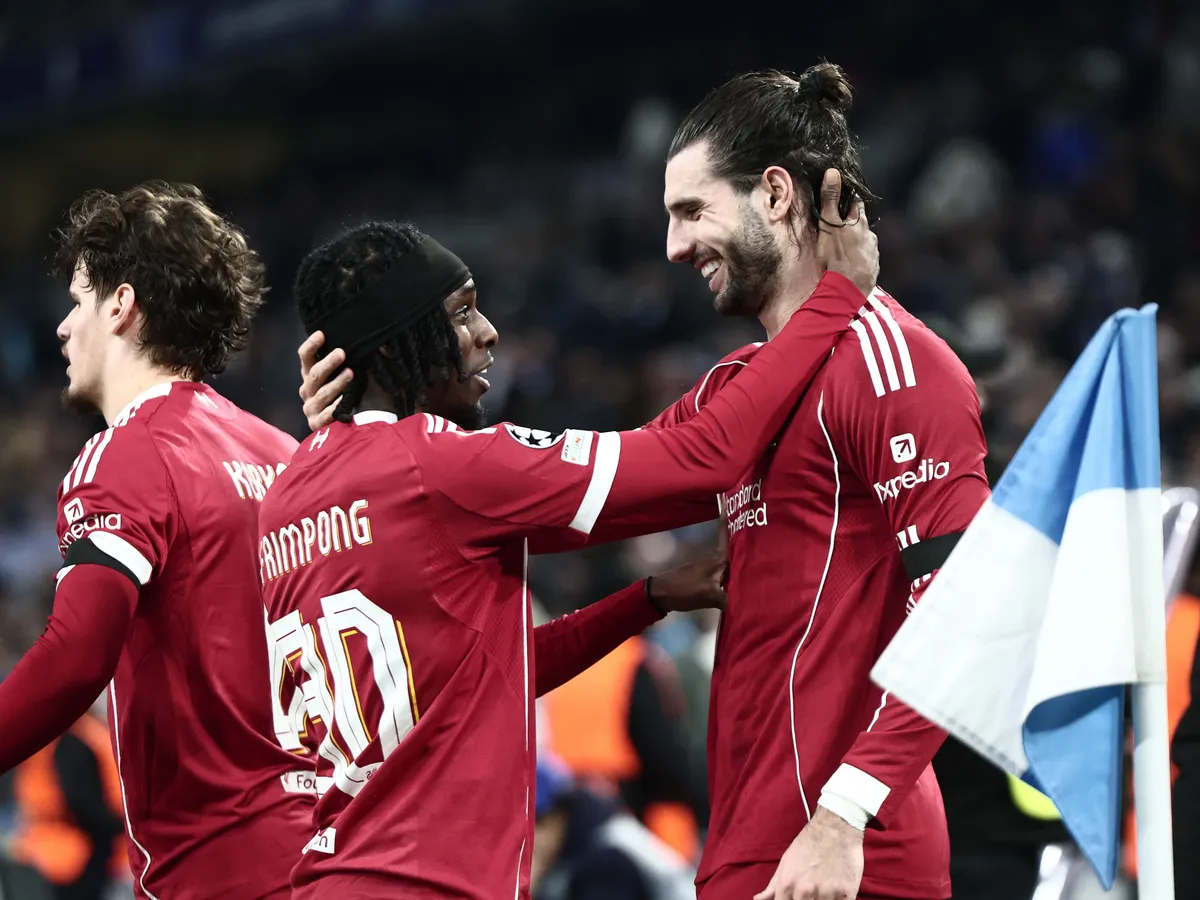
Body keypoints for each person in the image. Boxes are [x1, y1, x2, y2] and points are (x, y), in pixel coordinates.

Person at [262, 176, 876, 900]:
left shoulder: (287, 494)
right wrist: (839, 293)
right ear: (402, 343)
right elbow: (703, 460)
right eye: (460, 313)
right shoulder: (440, 466)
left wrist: (647, 599)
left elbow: (484, 679)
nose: (487, 332)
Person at [647, 64, 990, 900]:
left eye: (692, 212)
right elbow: (580, 493)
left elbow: (970, 596)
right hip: (746, 849)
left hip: (846, 859)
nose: (675, 246)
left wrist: (845, 815)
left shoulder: (892, 360)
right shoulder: (739, 389)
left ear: (775, 195)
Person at [0, 182, 314, 899]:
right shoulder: (284, 453)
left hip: (217, 868)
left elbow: (77, 658)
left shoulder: (124, 456)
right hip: (325, 851)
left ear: (121, 306)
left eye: (79, 301)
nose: (62, 328)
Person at [531, 752, 696, 900]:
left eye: (540, 824)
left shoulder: (606, 858)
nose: (533, 838)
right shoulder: (572, 851)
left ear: (561, 817)